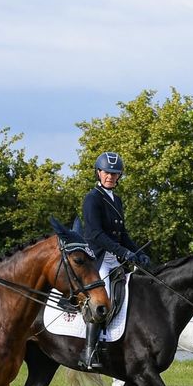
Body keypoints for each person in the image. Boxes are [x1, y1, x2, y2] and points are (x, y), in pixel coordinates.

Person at [80, 151, 150, 369]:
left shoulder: (116, 200)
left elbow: (122, 234)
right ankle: (90, 352)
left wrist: (136, 251)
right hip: (98, 260)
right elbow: (95, 234)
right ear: (98, 173)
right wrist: (123, 251)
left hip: (116, 260)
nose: (110, 176)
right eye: (106, 172)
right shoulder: (92, 198)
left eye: (114, 173)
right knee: (101, 300)